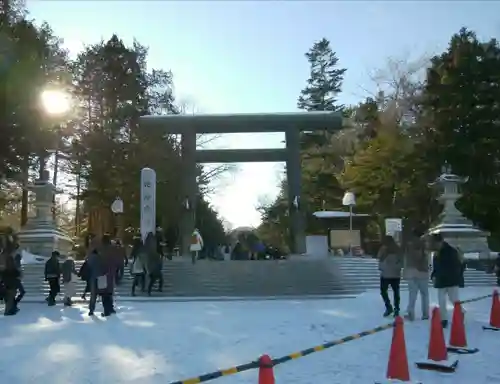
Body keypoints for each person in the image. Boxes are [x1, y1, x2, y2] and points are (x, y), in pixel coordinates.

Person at [429, 233, 463, 328]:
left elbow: (456, 266)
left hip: (451, 279)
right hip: (441, 280)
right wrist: (434, 275)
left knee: (454, 300)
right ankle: (443, 319)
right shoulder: (437, 252)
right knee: (441, 301)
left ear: (440, 242)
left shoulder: (451, 251)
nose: (434, 245)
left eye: (435, 243)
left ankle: (460, 313)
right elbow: (436, 266)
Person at [404, 228, 429, 321]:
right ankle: (425, 314)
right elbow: (423, 256)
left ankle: (410, 313)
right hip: (422, 270)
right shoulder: (424, 244)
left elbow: (406, 258)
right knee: (424, 294)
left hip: (411, 270)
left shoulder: (409, 244)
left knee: (412, 293)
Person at [378, 235, 403, 317]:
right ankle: (396, 309)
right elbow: (401, 261)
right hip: (395, 274)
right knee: (396, 292)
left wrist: (381, 267)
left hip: (385, 274)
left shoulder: (383, 248)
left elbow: (379, 257)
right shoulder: (398, 248)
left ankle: (389, 307)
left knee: (383, 291)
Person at [0, 244, 21, 315]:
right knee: (10, 298)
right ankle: (8, 311)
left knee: (8, 299)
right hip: (12, 285)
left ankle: (11, 309)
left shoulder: (5, 270)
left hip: (6, 284)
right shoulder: (13, 269)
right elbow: (17, 274)